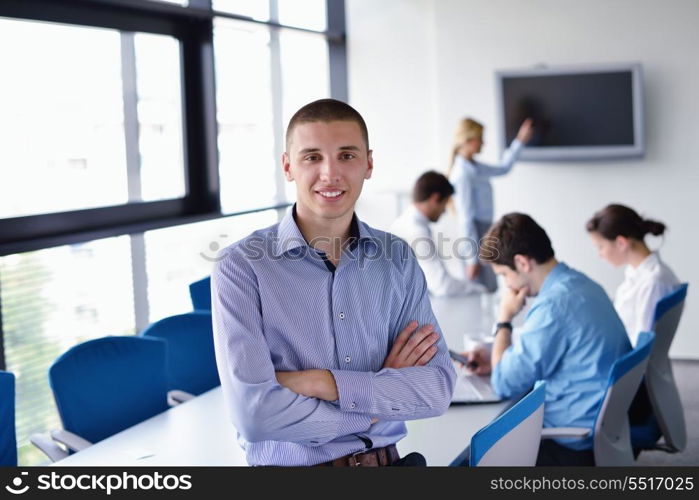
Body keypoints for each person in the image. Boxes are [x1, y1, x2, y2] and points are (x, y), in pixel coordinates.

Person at [211, 99, 456, 467]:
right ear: (288, 166)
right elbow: (255, 416)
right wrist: (374, 404)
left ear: (368, 164)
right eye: (312, 157)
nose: (330, 174)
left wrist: (320, 382)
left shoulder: (397, 259)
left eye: (346, 155)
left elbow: (436, 390)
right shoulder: (242, 268)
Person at [462, 213, 630, 466]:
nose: (507, 285)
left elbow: (504, 383)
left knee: (468, 460)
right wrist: (498, 357)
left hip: (570, 443)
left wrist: (504, 320)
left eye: (504, 275)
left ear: (522, 263)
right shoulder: (581, 284)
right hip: (605, 428)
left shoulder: (552, 306)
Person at [447, 117, 533, 292]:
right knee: (481, 289)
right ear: (469, 141)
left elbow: (503, 168)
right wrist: (472, 259)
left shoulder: (475, 167)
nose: (483, 143)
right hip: (475, 237)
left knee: (491, 287)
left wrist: (520, 141)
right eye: (480, 139)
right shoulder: (463, 174)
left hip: (485, 232)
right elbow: (466, 219)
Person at [586, 203, 680, 346]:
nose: (600, 255)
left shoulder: (652, 282)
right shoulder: (639, 273)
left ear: (621, 243)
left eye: (601, 247)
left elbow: (641, 347)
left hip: (629, 361)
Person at [390, 171, 485, 297]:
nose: (444, 211)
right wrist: (480, 290)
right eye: (445, 204)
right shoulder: (417, 230)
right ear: (435, 199)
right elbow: (442, 286)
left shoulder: (403, 221)